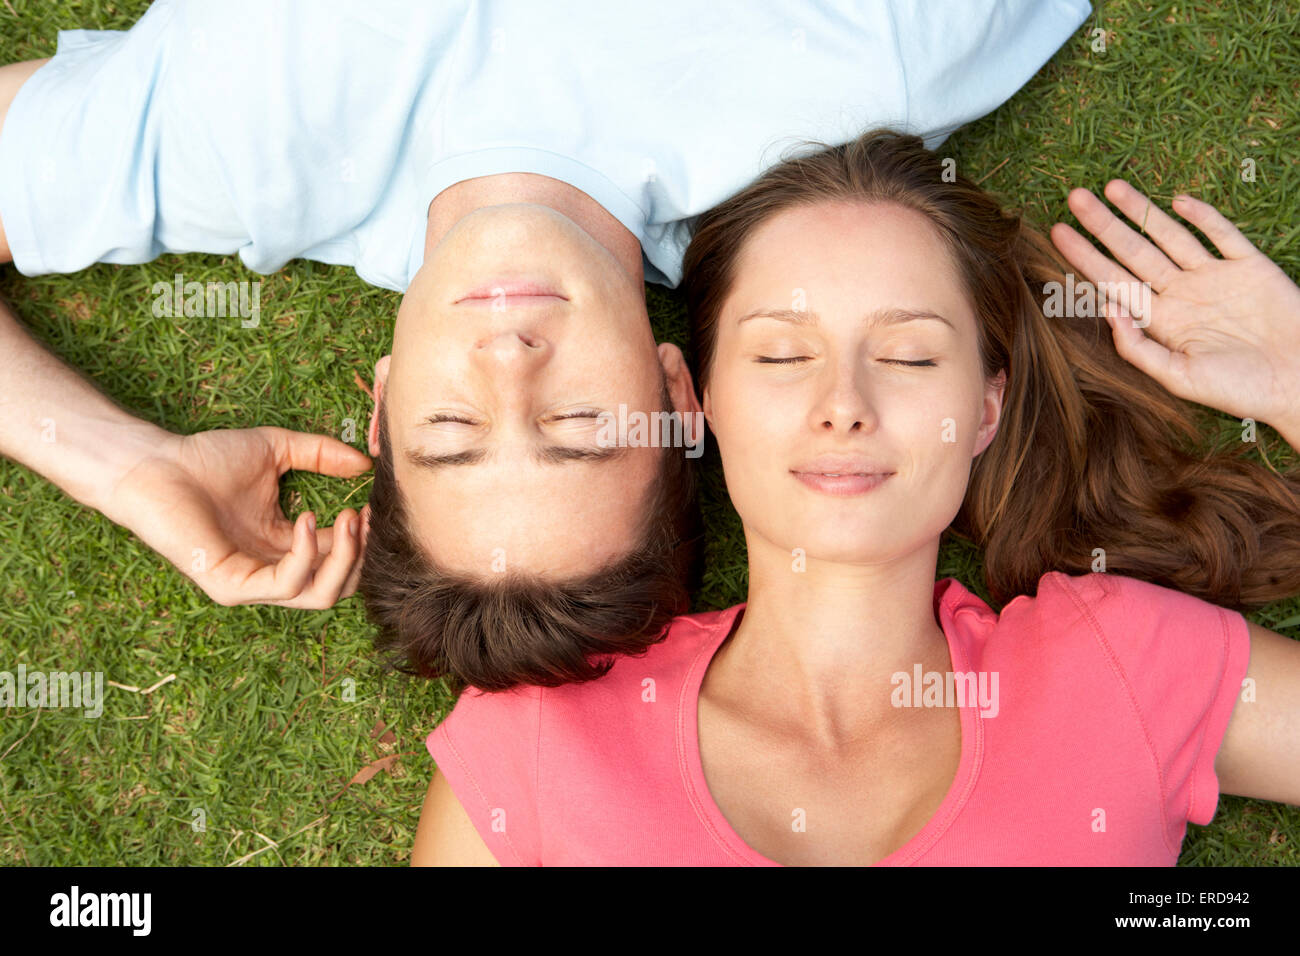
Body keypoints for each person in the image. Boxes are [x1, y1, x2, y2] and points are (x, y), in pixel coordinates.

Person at [0, 0, 1092, 683]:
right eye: (575, 424)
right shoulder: (877, 63)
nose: (508, 360)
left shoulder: (239, 158)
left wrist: (123, 462)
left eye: (448, 428)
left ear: (379, 402)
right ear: (677, 389)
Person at [412, 130, 1300, 865]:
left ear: (985, 409)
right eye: (782, 356)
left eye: (910, 356)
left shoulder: (1121, 667)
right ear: (703, 401)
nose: (844, 406)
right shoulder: (536, 744)